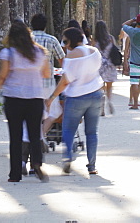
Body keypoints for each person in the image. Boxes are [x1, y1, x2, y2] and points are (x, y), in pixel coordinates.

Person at [0, 20, 52, 182]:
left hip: (14, 98)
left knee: (15, 137)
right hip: (35, 98)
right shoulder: (39, 52)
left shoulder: (9, 53)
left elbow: (1, 75)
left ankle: (14, 174)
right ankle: (36, 163)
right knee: (35, 134)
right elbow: (47, 74)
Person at [46, 27, 104, 175]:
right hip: (96, 93)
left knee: (68, 129)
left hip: (76, 96)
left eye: (65, 41)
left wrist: (52, 97)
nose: (64, 45)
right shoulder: (94, 52)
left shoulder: (71, 58)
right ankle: (92, 166)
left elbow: (65, 81)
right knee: (92, 132)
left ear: (71, 40)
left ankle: (67, 158)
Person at [30, 13, 65, 141]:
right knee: (54, 112)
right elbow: (63, 60)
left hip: (29, 81)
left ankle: (34, 136)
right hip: (47, 81)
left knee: (32, 111)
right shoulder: (52, 40)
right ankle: (41, 134)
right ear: (45, 26)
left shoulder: (26, 39)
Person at [119, 14, 140, 110]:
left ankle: (135, 103)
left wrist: (132, 20)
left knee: (134, 83)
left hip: (135, 61)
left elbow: (123, 25)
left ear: (136, 22)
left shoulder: (132, 31)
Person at [91, 20, 118, 115]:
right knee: (109, 86)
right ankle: (109, 101)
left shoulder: (95, 40)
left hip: (99, 65)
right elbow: (115, 50)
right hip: (110, 64)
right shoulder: (111, 38)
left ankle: (101, 107)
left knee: (100, 87)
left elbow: (92, 52)